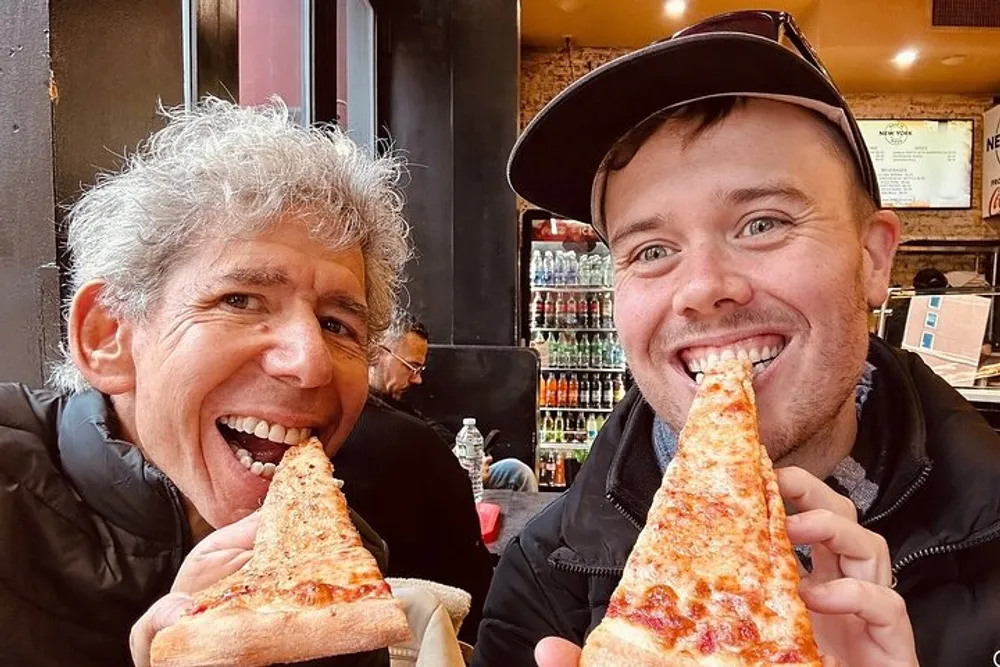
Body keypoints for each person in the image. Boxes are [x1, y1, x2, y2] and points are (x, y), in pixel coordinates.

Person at [475, 10, 1000, 667]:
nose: (702, 286)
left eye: (761, 223)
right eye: (652, 249)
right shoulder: (542, 585)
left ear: (873, 259)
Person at [0, 97, 417, 666]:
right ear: (107, 335)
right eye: (240, 300)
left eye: (336, 324)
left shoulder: (336, 566)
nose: (310, 362)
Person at [333, 391, 495, 646]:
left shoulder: (410, 426)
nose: (417, 379)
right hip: (445, 628)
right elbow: (469, 560)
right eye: (410, 366)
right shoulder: (411, 438)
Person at [371, 312, 539, 492]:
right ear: (378, 353)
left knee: (516, 472)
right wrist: (458, 477)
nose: (417, 379)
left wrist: (457, 454)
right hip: (424, 488)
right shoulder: (364, 409)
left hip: (443, 472)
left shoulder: (396, 396)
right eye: (411, 367)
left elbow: (428, 428)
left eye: (419, 369)